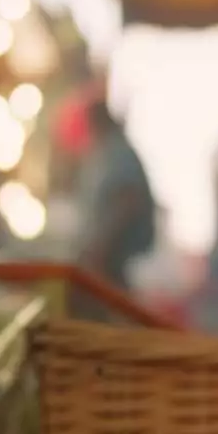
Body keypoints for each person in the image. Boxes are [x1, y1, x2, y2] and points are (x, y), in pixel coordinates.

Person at [76, 99, 157, 292]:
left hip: (115, 255)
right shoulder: (105, 151)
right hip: (108, 256)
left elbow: (127, 199)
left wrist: (102, 246)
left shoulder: (117, 151)